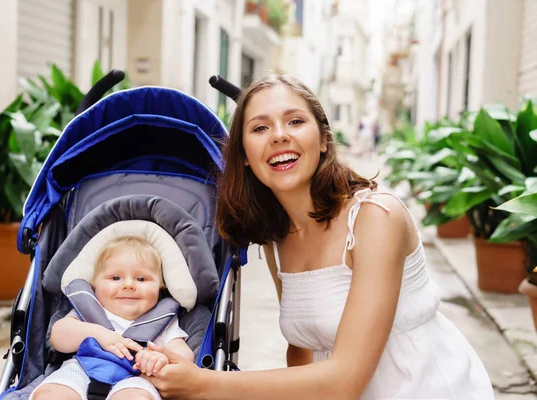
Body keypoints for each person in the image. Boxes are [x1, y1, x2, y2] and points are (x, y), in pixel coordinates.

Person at [141, 73, 494, 399]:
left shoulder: (375, 218)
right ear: (245, 157)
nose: (279, 135)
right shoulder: (277, 238)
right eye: (260, 127)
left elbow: (345, 379)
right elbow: (302, 348)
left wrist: (205, 383)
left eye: (295, 121)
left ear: (324, 140)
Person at [31, 236, 193, 400]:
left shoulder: (163, 320)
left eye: (141, 279)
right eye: (115, 278)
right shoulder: (88, 311)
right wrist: (99, 334)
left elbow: (183, 354)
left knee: (137, 398)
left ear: (160, 286)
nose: (128, 285)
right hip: (81, 369)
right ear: (95, 285)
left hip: (138, 378)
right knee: (51, 394)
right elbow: (57, 337)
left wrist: (161, 358)